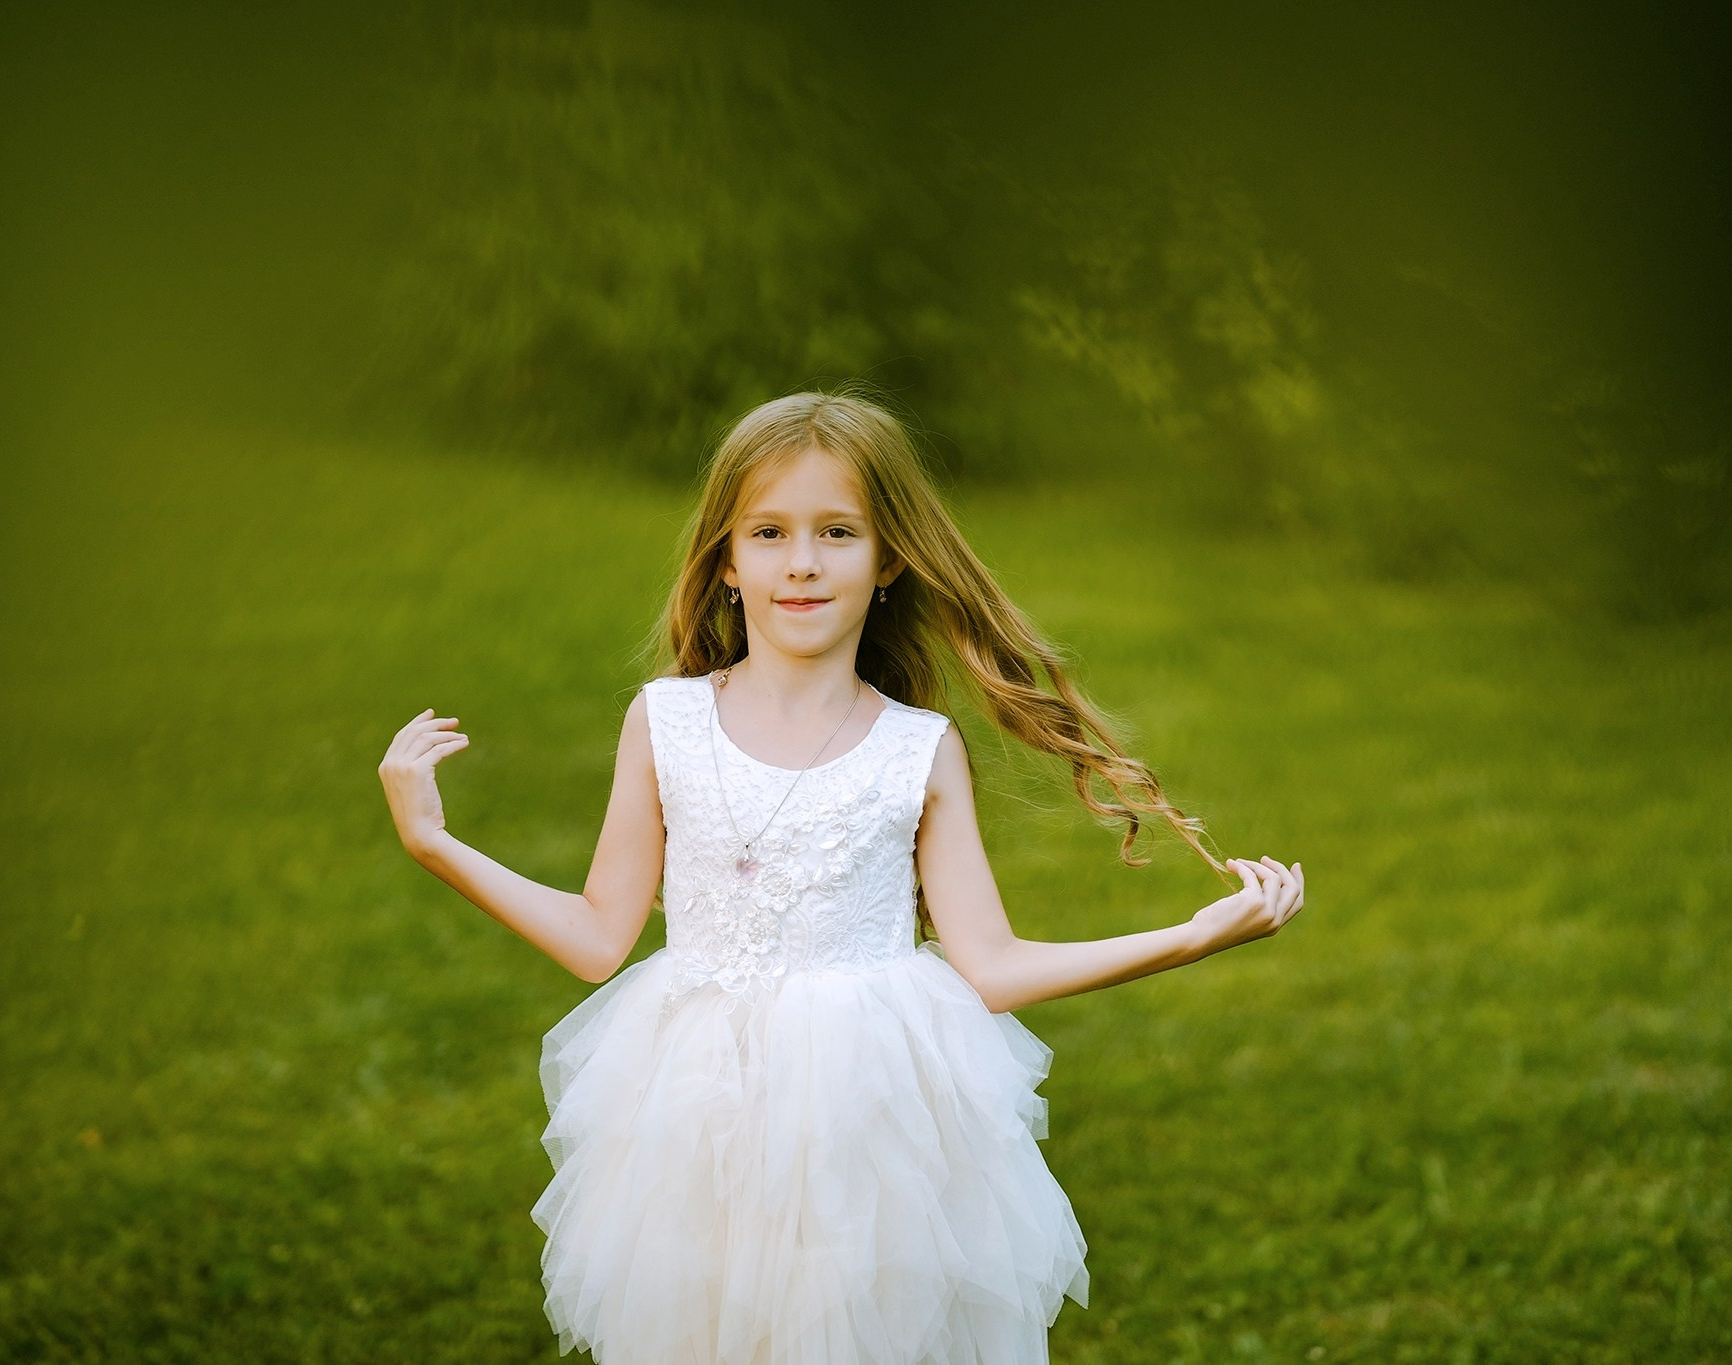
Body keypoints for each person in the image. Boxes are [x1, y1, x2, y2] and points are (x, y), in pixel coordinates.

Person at [378, 389, 1307, 1364]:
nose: (803, 563)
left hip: (868, 1131)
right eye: (768, 532)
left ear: (888, 557)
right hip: (698, 1120)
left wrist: (1192, 936)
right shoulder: (665, 722)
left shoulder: (917, 750)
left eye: (837, 532)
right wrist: (436, 844)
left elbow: (991, 966)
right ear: (725, 559)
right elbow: (597, 938)